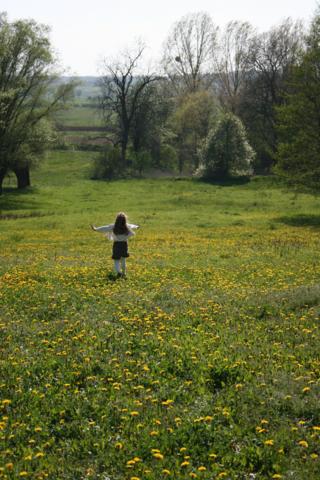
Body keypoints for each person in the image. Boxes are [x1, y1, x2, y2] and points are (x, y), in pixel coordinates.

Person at [91, 212, 139, 277]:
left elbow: (105, 228)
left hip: (116, 245)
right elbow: (132, 226)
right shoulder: (127, 226)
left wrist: (96, 229)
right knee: (123, 260)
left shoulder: (113, 226)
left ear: (116, 219)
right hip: (124, 245)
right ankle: (124, 273)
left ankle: (119, 272)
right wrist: (137, 226)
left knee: (116, 260)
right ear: (125, 220)